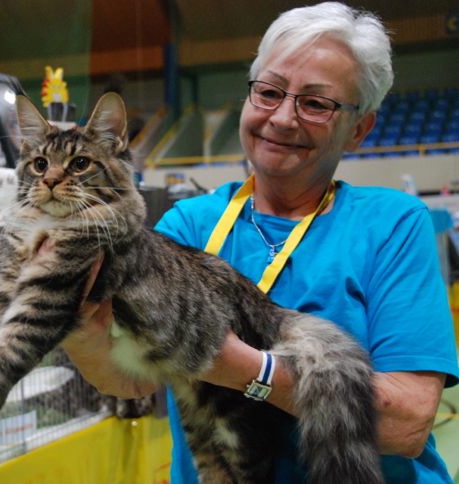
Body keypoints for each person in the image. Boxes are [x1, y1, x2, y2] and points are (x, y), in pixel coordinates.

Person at [61, 2, 459, 482]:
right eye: (269, 92)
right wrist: (81, 326)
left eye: (316, 103)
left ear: (359, 128)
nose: (283, 118)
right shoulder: (189, 224)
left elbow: (406, 423)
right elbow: (131, 377)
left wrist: (248, 370)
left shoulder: (393, 224)